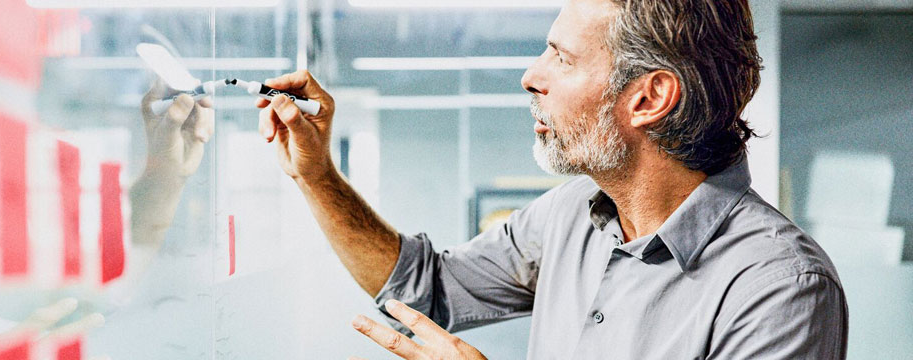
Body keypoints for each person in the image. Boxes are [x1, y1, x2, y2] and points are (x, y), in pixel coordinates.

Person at [254, 0, 848, 359]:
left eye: (562, 58)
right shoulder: (572, 214)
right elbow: (426, 287)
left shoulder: (782, 289)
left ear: (649, 97)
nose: (530, 76)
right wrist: (317, 175)